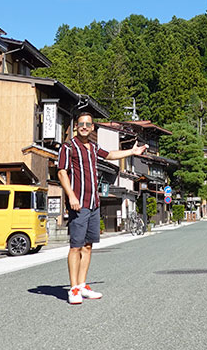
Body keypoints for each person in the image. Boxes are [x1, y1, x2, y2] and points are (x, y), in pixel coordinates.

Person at [57, 111, 147, 305]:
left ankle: (82, 285)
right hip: (78, 202)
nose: (84, 127)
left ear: (92, 128)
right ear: (76, 126)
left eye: (88, 124)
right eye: (81, 123)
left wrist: (132, 152)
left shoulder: (93, 147)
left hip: (94, 202)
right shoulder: (68, 146)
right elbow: (62, 172)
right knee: (76, 246)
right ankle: (73, 289)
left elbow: (111, 155)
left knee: (88, 246)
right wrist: (71, 195)